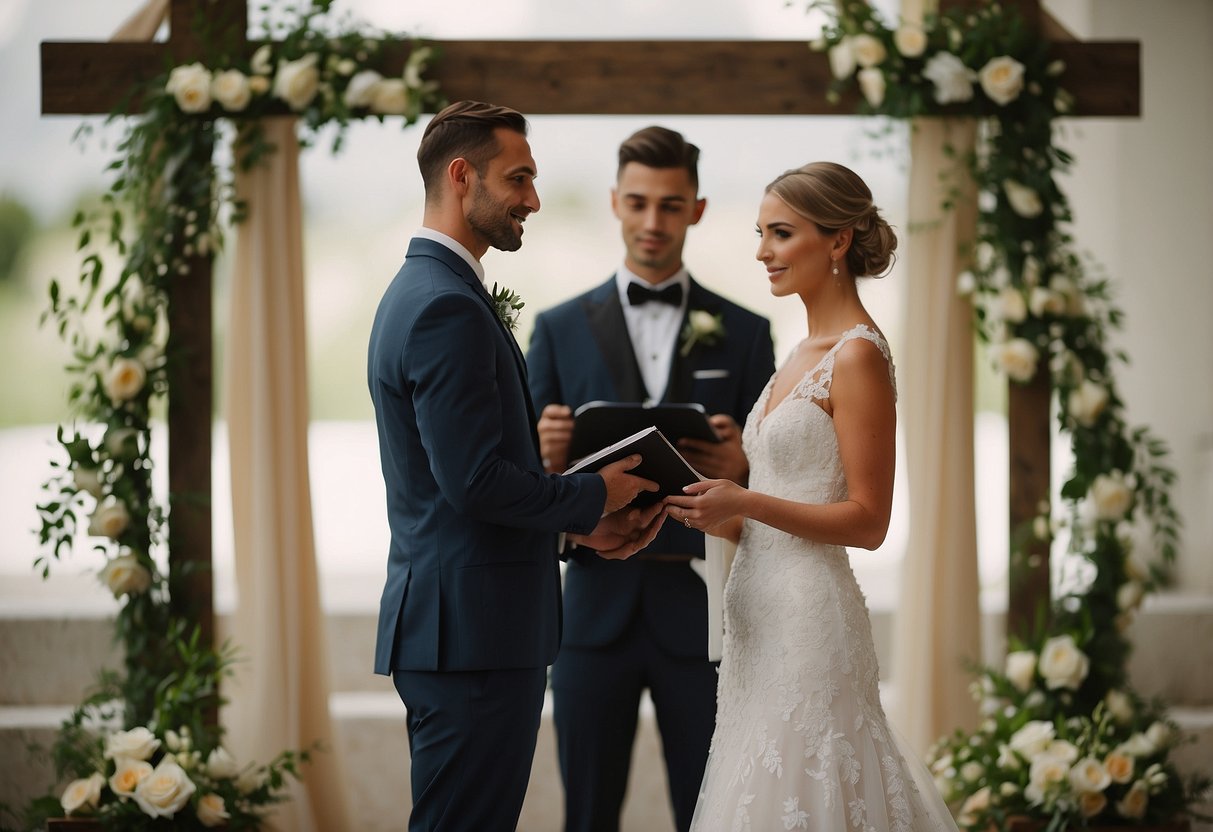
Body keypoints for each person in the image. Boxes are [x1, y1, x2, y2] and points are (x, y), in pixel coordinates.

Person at [367, 100, 666, 832]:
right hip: (472, 637)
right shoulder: (445, 305)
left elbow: (462, 485)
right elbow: (472, 483)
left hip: (463, 627)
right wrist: (594, 494)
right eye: (519, 178)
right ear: (462, 176)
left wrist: (571, 532)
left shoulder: (430, 289)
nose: (532, 199)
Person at [665, 161, 959, 830]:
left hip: (809, 624)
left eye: (780, 233)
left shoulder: (855, 356)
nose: (762, 250)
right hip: (755, 624)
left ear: (836, 241)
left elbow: (868, 520)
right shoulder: (796, 355)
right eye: (760, 232)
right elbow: (774, 492)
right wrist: (705, 501)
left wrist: (742, 502)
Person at [527, 126, 776, 832]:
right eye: (637, 202)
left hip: (703, 622)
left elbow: (779, 481)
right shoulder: (555, 328)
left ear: (695, 210)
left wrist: (742, 468)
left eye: (670, 206)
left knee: (710, 813)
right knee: (587, 815)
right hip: (588, 621)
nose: (651, 223)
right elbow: (515, 486)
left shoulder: (747, 333)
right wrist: (544, 461)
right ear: (613, 203)